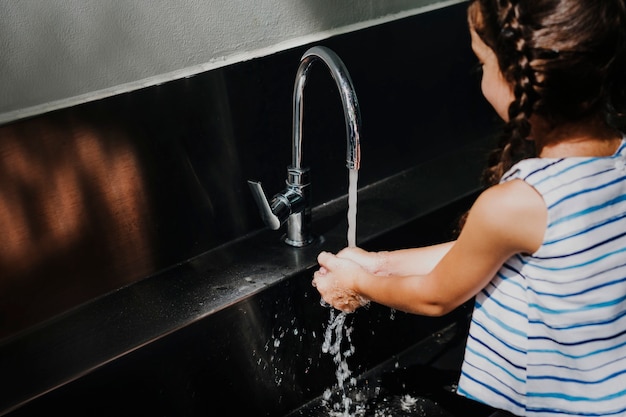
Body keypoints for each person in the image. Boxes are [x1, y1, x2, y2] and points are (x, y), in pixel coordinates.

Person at [312, 0, 626, 415]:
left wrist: (357, 284)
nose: (480, 77)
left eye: (483, 64)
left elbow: (435, 297)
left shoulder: (517, 202)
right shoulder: (616, 159)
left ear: (519, 78)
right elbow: (478, 255)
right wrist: (379, 264)